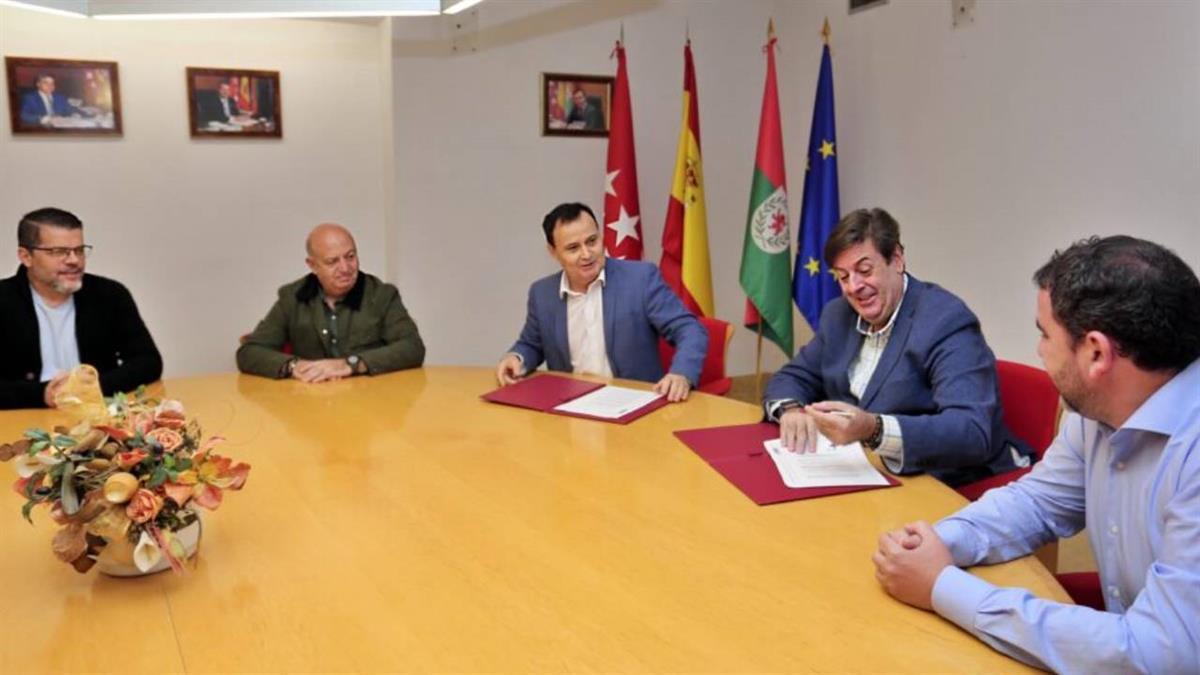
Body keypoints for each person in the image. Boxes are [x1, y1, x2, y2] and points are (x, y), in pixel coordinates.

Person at [872, 235, 1200, 673]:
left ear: (1096, 353)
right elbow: (1038, 503)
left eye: (1045, 335)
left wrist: (942, 587)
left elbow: (1159, 654)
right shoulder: (1103, 409)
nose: (1039, 350)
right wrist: (939, 543)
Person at [763, 208, 1032, 486]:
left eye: (864, 270)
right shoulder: (838, 314)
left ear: (897, 259)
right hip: (866, 472)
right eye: (843, 277)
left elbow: (971, 431)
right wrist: (792, 410)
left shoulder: (945, 320)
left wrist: (873, 430)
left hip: (951, 481)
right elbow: (792, 377)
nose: (854, 287)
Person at [496, 202, 706, 402]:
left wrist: (681, 374)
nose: (586, 254)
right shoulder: (542, 294)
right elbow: (531, 344)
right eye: (573, 248)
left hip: (635, 406)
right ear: (553, 252)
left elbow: (690, 329)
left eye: (592, 241)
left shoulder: (641, 279)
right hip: (570, 407)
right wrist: (516, 358)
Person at [0, 208, 163, 409]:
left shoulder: (109, 295)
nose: (74, 260)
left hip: (98, 414)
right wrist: (41, 394)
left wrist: (91, 388)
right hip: (21, 418)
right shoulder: (4, 300)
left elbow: (148, 362)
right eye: (59, 252)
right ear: (26, 256)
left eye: (79, 250)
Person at [237, 223, 424, 382]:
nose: (345, 268)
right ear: (313, 265)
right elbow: (249, 352)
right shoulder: (292, 298)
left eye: (350, 256)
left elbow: (412, 347)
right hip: (310, 403)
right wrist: (295, 366)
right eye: (332, 261)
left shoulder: (382, 295)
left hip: (370, 401)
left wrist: (351, 364)